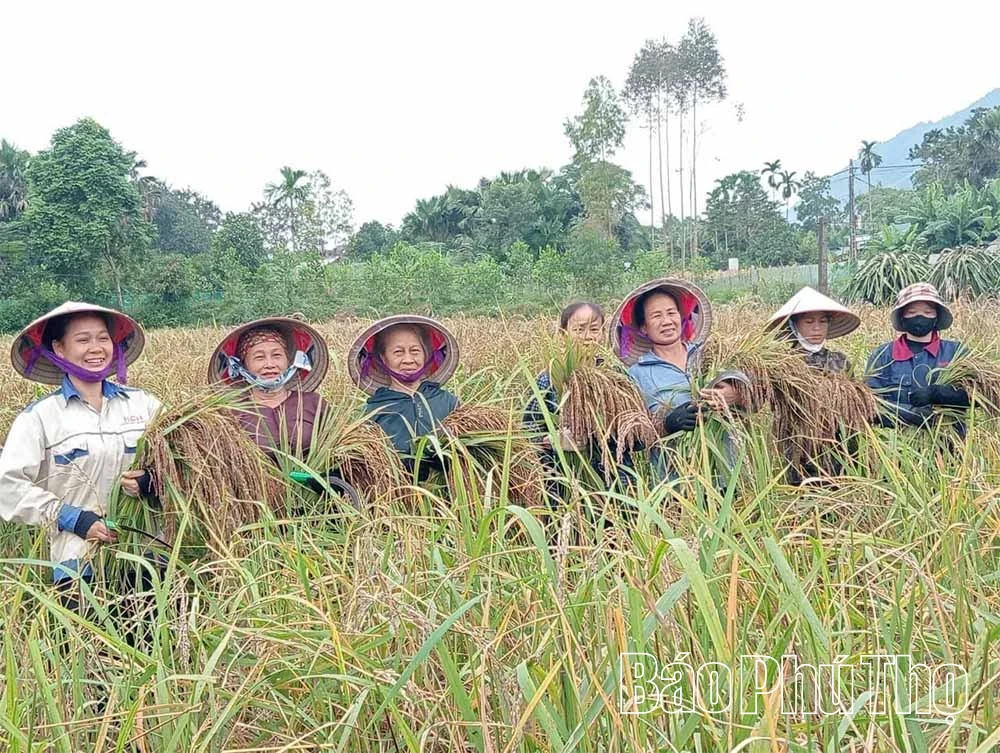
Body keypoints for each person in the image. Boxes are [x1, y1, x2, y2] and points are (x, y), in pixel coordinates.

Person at [0, 302, 161, 611]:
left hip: (145, 556)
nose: (96, 348)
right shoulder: (40, 418)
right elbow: (8, 487)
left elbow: (182, 463)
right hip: (78, 564)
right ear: (59, 348)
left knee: (152, 639)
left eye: (103, 338)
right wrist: (73, 518)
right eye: (83, 340)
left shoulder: (144, 405)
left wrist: (151, 481)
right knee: (89, 641)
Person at [207, 316, 359, 505]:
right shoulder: (231, 413)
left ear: (289, 360)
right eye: (259, 357)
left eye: (277, 355)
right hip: (257, 507)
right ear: (243, 365)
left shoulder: (313, 403)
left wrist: (329, 478)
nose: (270, 364)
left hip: (316, 504)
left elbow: (341, 451)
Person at [611, 278, 750, 478]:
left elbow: (760, 401)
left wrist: (736, 395)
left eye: (671, 313)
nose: (666, 321)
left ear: (680, 316)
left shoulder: (710, 355)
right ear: (643, 327)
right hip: (676, 481)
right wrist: (667, 424)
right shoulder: (635, 374)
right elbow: (629, 438)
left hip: (728, 475)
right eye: (656, 316)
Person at [348, 315, 460, 476]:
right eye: (398, 352)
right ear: (383, 358)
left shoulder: (449, 403)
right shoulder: (371, 413)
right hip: (396, 490)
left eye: (415, 351)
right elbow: (363, 466)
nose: (408, 359)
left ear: (426, 355)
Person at [866, 282, 969, 429]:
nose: (920, 317)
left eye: (928, 312)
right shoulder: (882, 355)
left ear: (937, 317)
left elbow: (977, 395)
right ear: (902, 317)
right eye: (912, 312)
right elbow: (870, 404)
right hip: (896, 441)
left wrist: (937, 393)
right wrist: (910, 414)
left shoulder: (956, 352)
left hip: (949, 440)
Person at [766, 286, 860, 374]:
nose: (817, 328)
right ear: (794, 325)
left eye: (823, 321)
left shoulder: (840, 361)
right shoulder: (784, 364)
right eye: (809, 322)